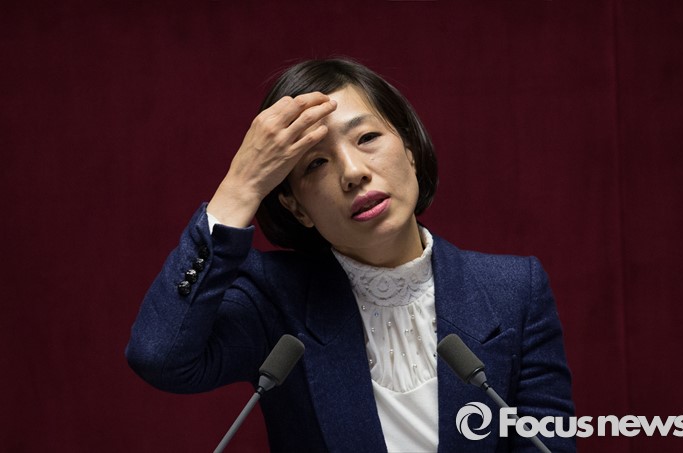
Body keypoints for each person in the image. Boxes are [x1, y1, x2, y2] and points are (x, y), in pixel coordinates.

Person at [126, 58, 575, 452]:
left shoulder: (514, 290)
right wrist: (240, 186)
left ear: (410, 150)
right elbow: (160, 356)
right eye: (316, 163)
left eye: (367, 138)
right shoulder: (273, 297)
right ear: (297, 208)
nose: (354, 172)